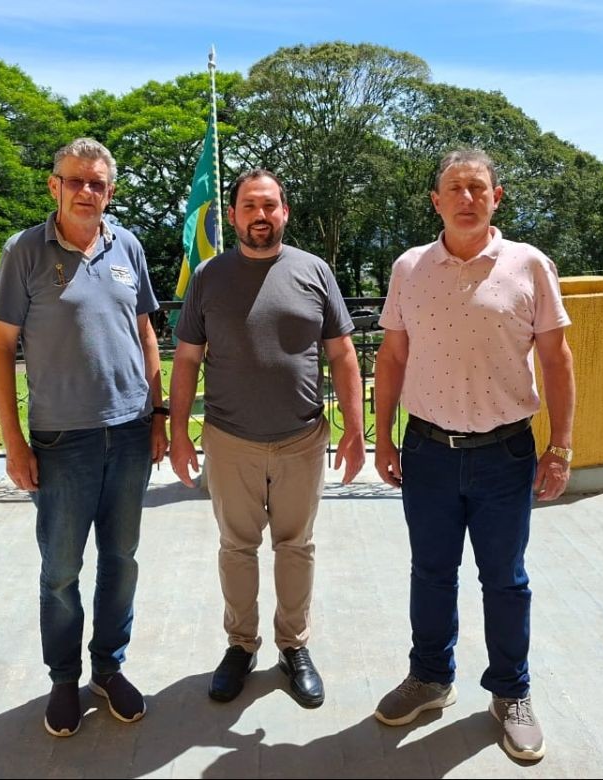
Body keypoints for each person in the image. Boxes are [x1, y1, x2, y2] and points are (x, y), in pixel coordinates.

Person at [371, 149, 575, 762]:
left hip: (505, 452)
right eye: (454, 188)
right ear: (436, 201)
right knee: (430, 573)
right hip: (428, 450)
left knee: (505, 581)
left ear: (496, 197)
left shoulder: (529, 265)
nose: (466, 197)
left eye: (477, 188)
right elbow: (393, 358)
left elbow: (558, 361)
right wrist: (383, 435)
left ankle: (511, 692)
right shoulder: (410, 268)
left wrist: (560, 446)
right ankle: (431, 677)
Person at [0, 137, 168, 738]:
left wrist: (158, 415)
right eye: (76, 181)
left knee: (121, 560)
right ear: (54, 186)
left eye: (98, 183)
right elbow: (1, 348)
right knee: (61, 569)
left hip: (129, 432)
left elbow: (145, 333)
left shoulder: (128, 246)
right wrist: (13, 443)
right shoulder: (25, 253)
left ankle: (108, 669)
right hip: (63, 440)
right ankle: (64, 679)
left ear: (109, 190)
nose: (87, 192)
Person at [169, 169, 365, 709]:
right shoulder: (208, 277)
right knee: (237, 548)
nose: (260, 215)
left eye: (270, 205)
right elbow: (186, 359)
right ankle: (239, 645)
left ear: (285, 212)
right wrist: (179, 435)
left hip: (302, 438)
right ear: (232, 215)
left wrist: (354, 430)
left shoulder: (314, 271)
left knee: (295, 547)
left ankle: (293, 647)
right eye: (249, 206)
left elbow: (342, 354)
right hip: (230, 439)